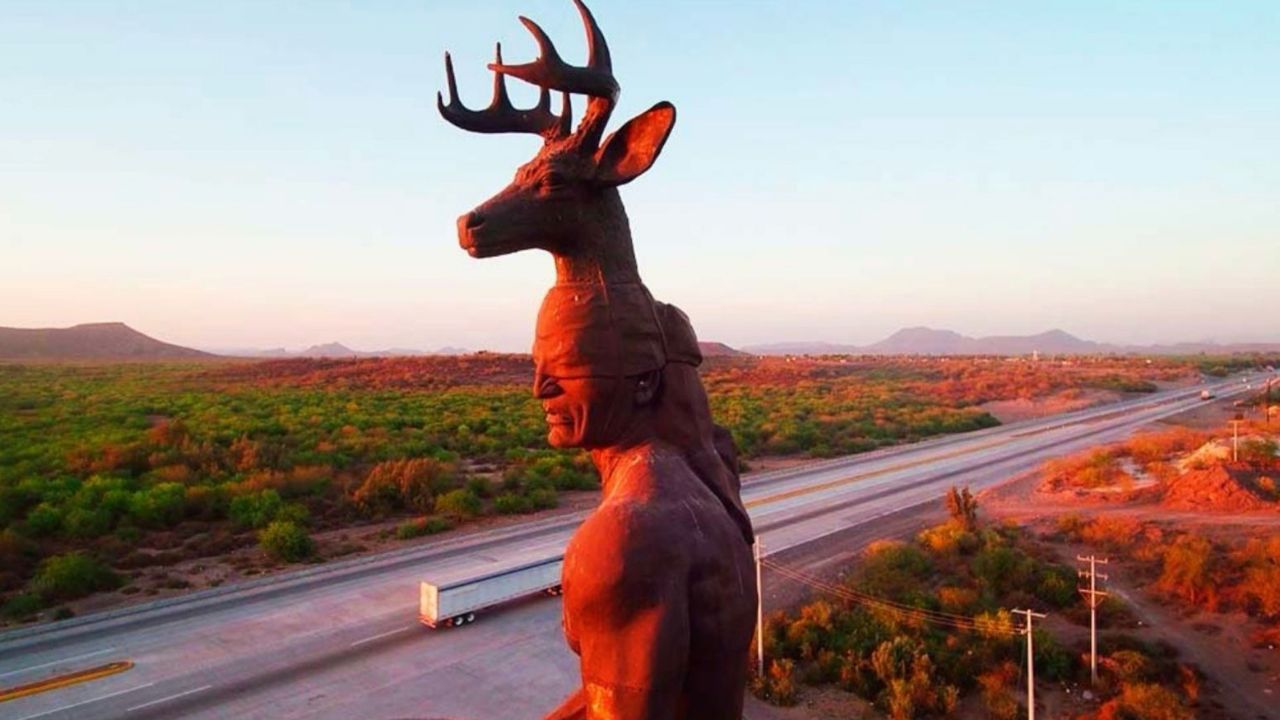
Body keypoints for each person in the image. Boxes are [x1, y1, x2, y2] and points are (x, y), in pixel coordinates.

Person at [532, 282, 756, 720]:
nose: (540, 387)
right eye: (538, 364)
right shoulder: (697, 490)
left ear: (643, 383)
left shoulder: (626, 536)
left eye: (570, 365)